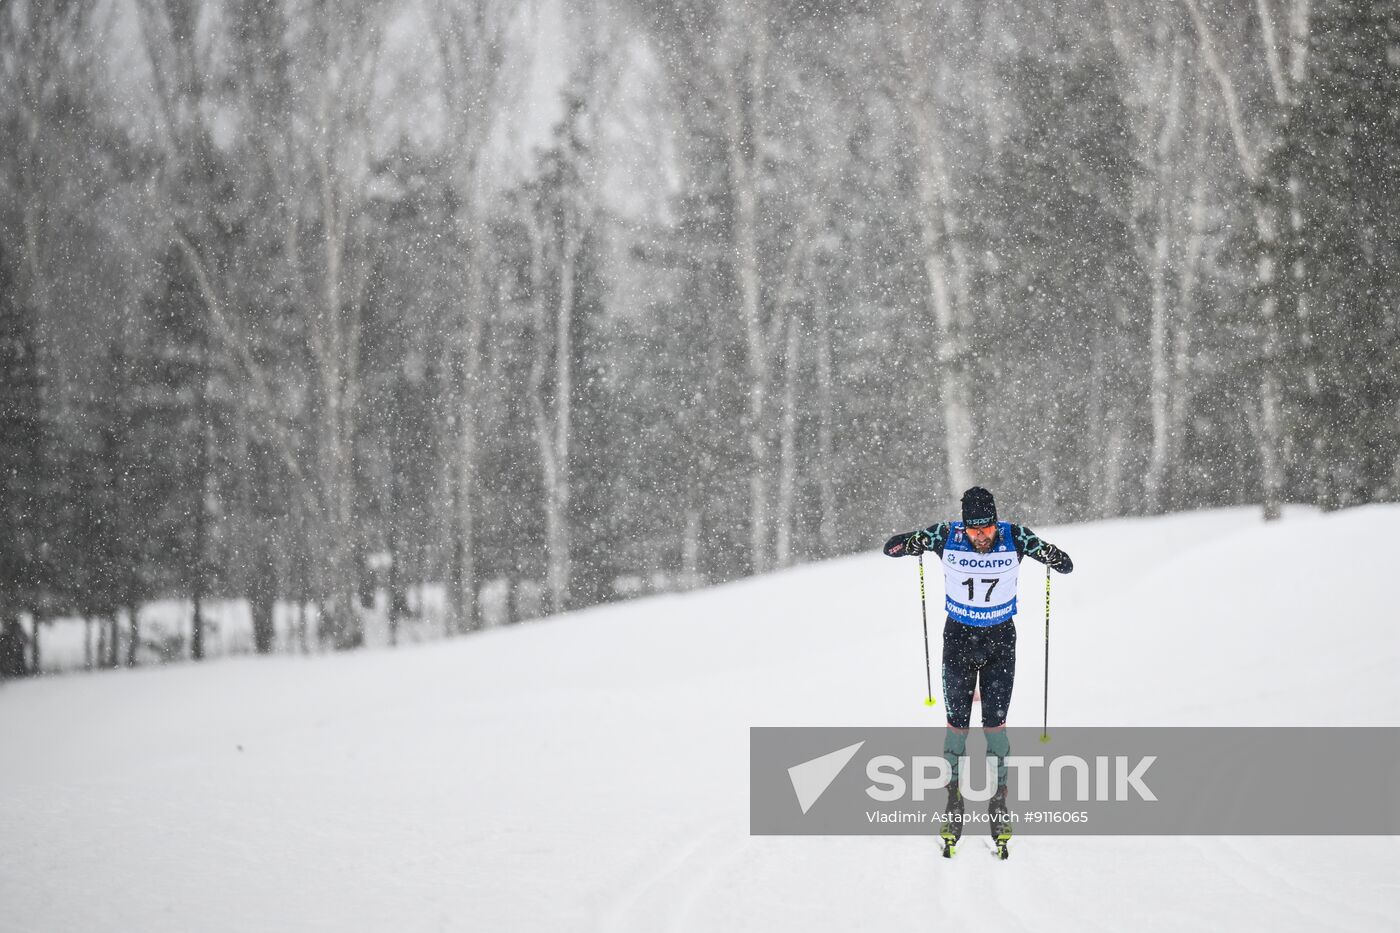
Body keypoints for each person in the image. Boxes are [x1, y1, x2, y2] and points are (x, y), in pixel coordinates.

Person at [883, 486, 1073, 856]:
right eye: (974, 529)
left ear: (995, 522)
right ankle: (953, 800)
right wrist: (914, 542)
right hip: (958, 643)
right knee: (957, 727)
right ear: (965, 526)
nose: (982, 536)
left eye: (987, 528)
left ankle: (998, 801)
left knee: (995, 727)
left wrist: (1050, 554)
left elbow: (1065, 565)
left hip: (1001, 644)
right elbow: (890, 548)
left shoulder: (1014, 536)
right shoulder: (946, 535)